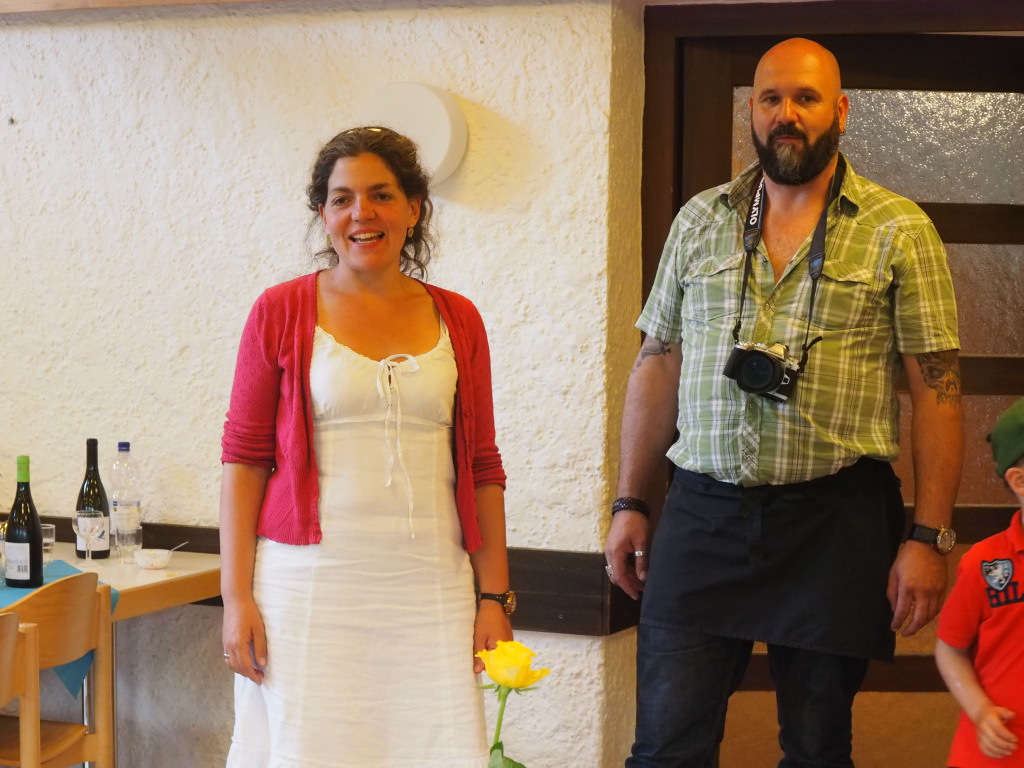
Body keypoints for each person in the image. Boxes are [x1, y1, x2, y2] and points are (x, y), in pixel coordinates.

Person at [604, 38, 963, 767]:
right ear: (753, 110)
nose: (786, 114)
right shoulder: (701, 219)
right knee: (665, 747)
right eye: (771, 98)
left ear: (841, 111)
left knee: (817, 749)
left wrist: (928, 539)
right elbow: (657, 361)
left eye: (805, 97)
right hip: (703, 514)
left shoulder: (898, 229)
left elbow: (937, 390)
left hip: (834, 521)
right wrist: (630, 501)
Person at [219, 126, 514, 767]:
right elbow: (244, 460)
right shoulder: (279, 311)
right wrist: (235, 597)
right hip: (307, 589)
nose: (362, 213)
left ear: (414, 208)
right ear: (323, 214)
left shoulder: (460, 319)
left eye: (381, 195)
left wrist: (493, 598)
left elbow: (483, 467)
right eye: (342, 198)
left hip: (431, 588)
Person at [936, 396, 1024, 768]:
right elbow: (950, 649)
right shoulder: (984, 564)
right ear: (1019, 481)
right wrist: (980, 710)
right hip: (996, 756)